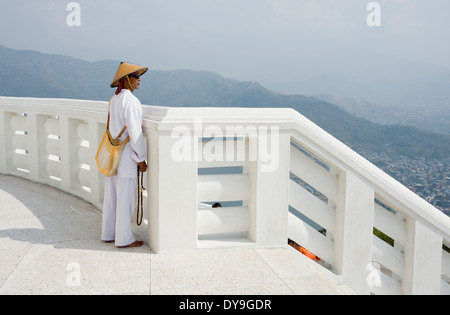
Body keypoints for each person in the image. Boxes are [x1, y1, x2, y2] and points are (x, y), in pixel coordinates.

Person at [101, 62, 148, 248]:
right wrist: (141, 158)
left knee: (112, 197)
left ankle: (108, 233)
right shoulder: (131, 101)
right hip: (127, 156)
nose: (139, 79)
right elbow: (135, 133)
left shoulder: (114, 99)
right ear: (127, 79)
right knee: (125, 199)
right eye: (136, 76)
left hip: (113, 154)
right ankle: (123, 239)